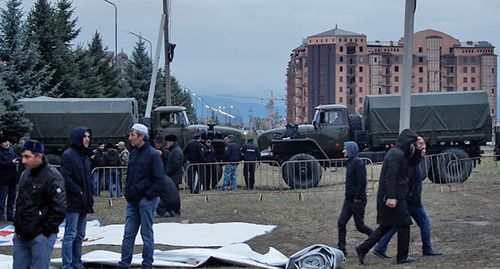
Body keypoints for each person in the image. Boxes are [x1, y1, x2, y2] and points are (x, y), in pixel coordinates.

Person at [355, 129, 418, 265]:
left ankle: (362, 248)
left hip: (394, 196)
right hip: (392, 197)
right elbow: (390, 176)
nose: (413, 146)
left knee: (386, 226)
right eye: (412, 143)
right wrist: (391, 197)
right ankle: (402, 257)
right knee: (404, 224)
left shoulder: (400, 154)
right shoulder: (396, 154)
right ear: (407, 142)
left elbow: (412, 163)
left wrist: (418, 150)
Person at [373, 136, 443, 258]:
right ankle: (426, 249)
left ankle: (380, 247)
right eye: (420, 144)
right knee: (424, 222)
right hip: (411, 200)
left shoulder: (414, 159)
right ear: (414, 146)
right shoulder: (409, 161)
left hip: (408, 199)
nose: (424, 147)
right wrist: (406, 196)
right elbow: (405, 180)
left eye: (424, 144)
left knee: (396, 225)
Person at [13, 140, 66, 269]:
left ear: (39, 157)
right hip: (21, 235)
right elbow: (20, 202)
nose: (23, 161)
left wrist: (45, 233)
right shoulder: (25, 175)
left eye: (27, 157)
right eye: (22, 156)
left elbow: (59, 209)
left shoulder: (53, 177)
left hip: (40, 237)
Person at [119, 123, 164, 269]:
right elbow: (131, 176)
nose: (129, 138)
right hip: (132, 201)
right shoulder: (133, 153)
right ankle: (124, 263)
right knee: (128, 235)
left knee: (146, 234)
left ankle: (147, 264)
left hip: (146, 201)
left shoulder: (153, 155)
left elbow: (158, 180)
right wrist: (128, 193)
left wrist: (147, 197)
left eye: (132, 135)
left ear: (141, 137)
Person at [60, 127, 95, 269]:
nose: (87, 138)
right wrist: (79, 192)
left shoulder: (85, 155)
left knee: (80, 235)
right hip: (73, 201)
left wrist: (89, 194)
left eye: (88, 136)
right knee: (70, 235)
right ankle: (67, 265)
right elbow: (66, 177)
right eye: (84, 136)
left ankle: (77, 263)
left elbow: (88, 178)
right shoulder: (68, 155)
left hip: (84, 201)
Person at [337, 141, 373, 256]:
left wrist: (357, 198)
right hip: (348, 200)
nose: (343, 151)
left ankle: (377, 237)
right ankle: (341, 249)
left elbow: (362, 182)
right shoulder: (350, 163)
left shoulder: (358, 163)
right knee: (341, 222)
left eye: (345, 149)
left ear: (351, 150)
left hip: (357, 201)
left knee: (360, 226)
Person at [0, 134, 19, 221]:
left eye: (7, 141)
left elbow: (15, 157)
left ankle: (10, 215)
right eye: (4, 142)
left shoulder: (11, 150)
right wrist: (11, 162)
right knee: (2, 198)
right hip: (3, 179)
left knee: (12, 198)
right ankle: (1, 216)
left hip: (12, 178)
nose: (6, 143)